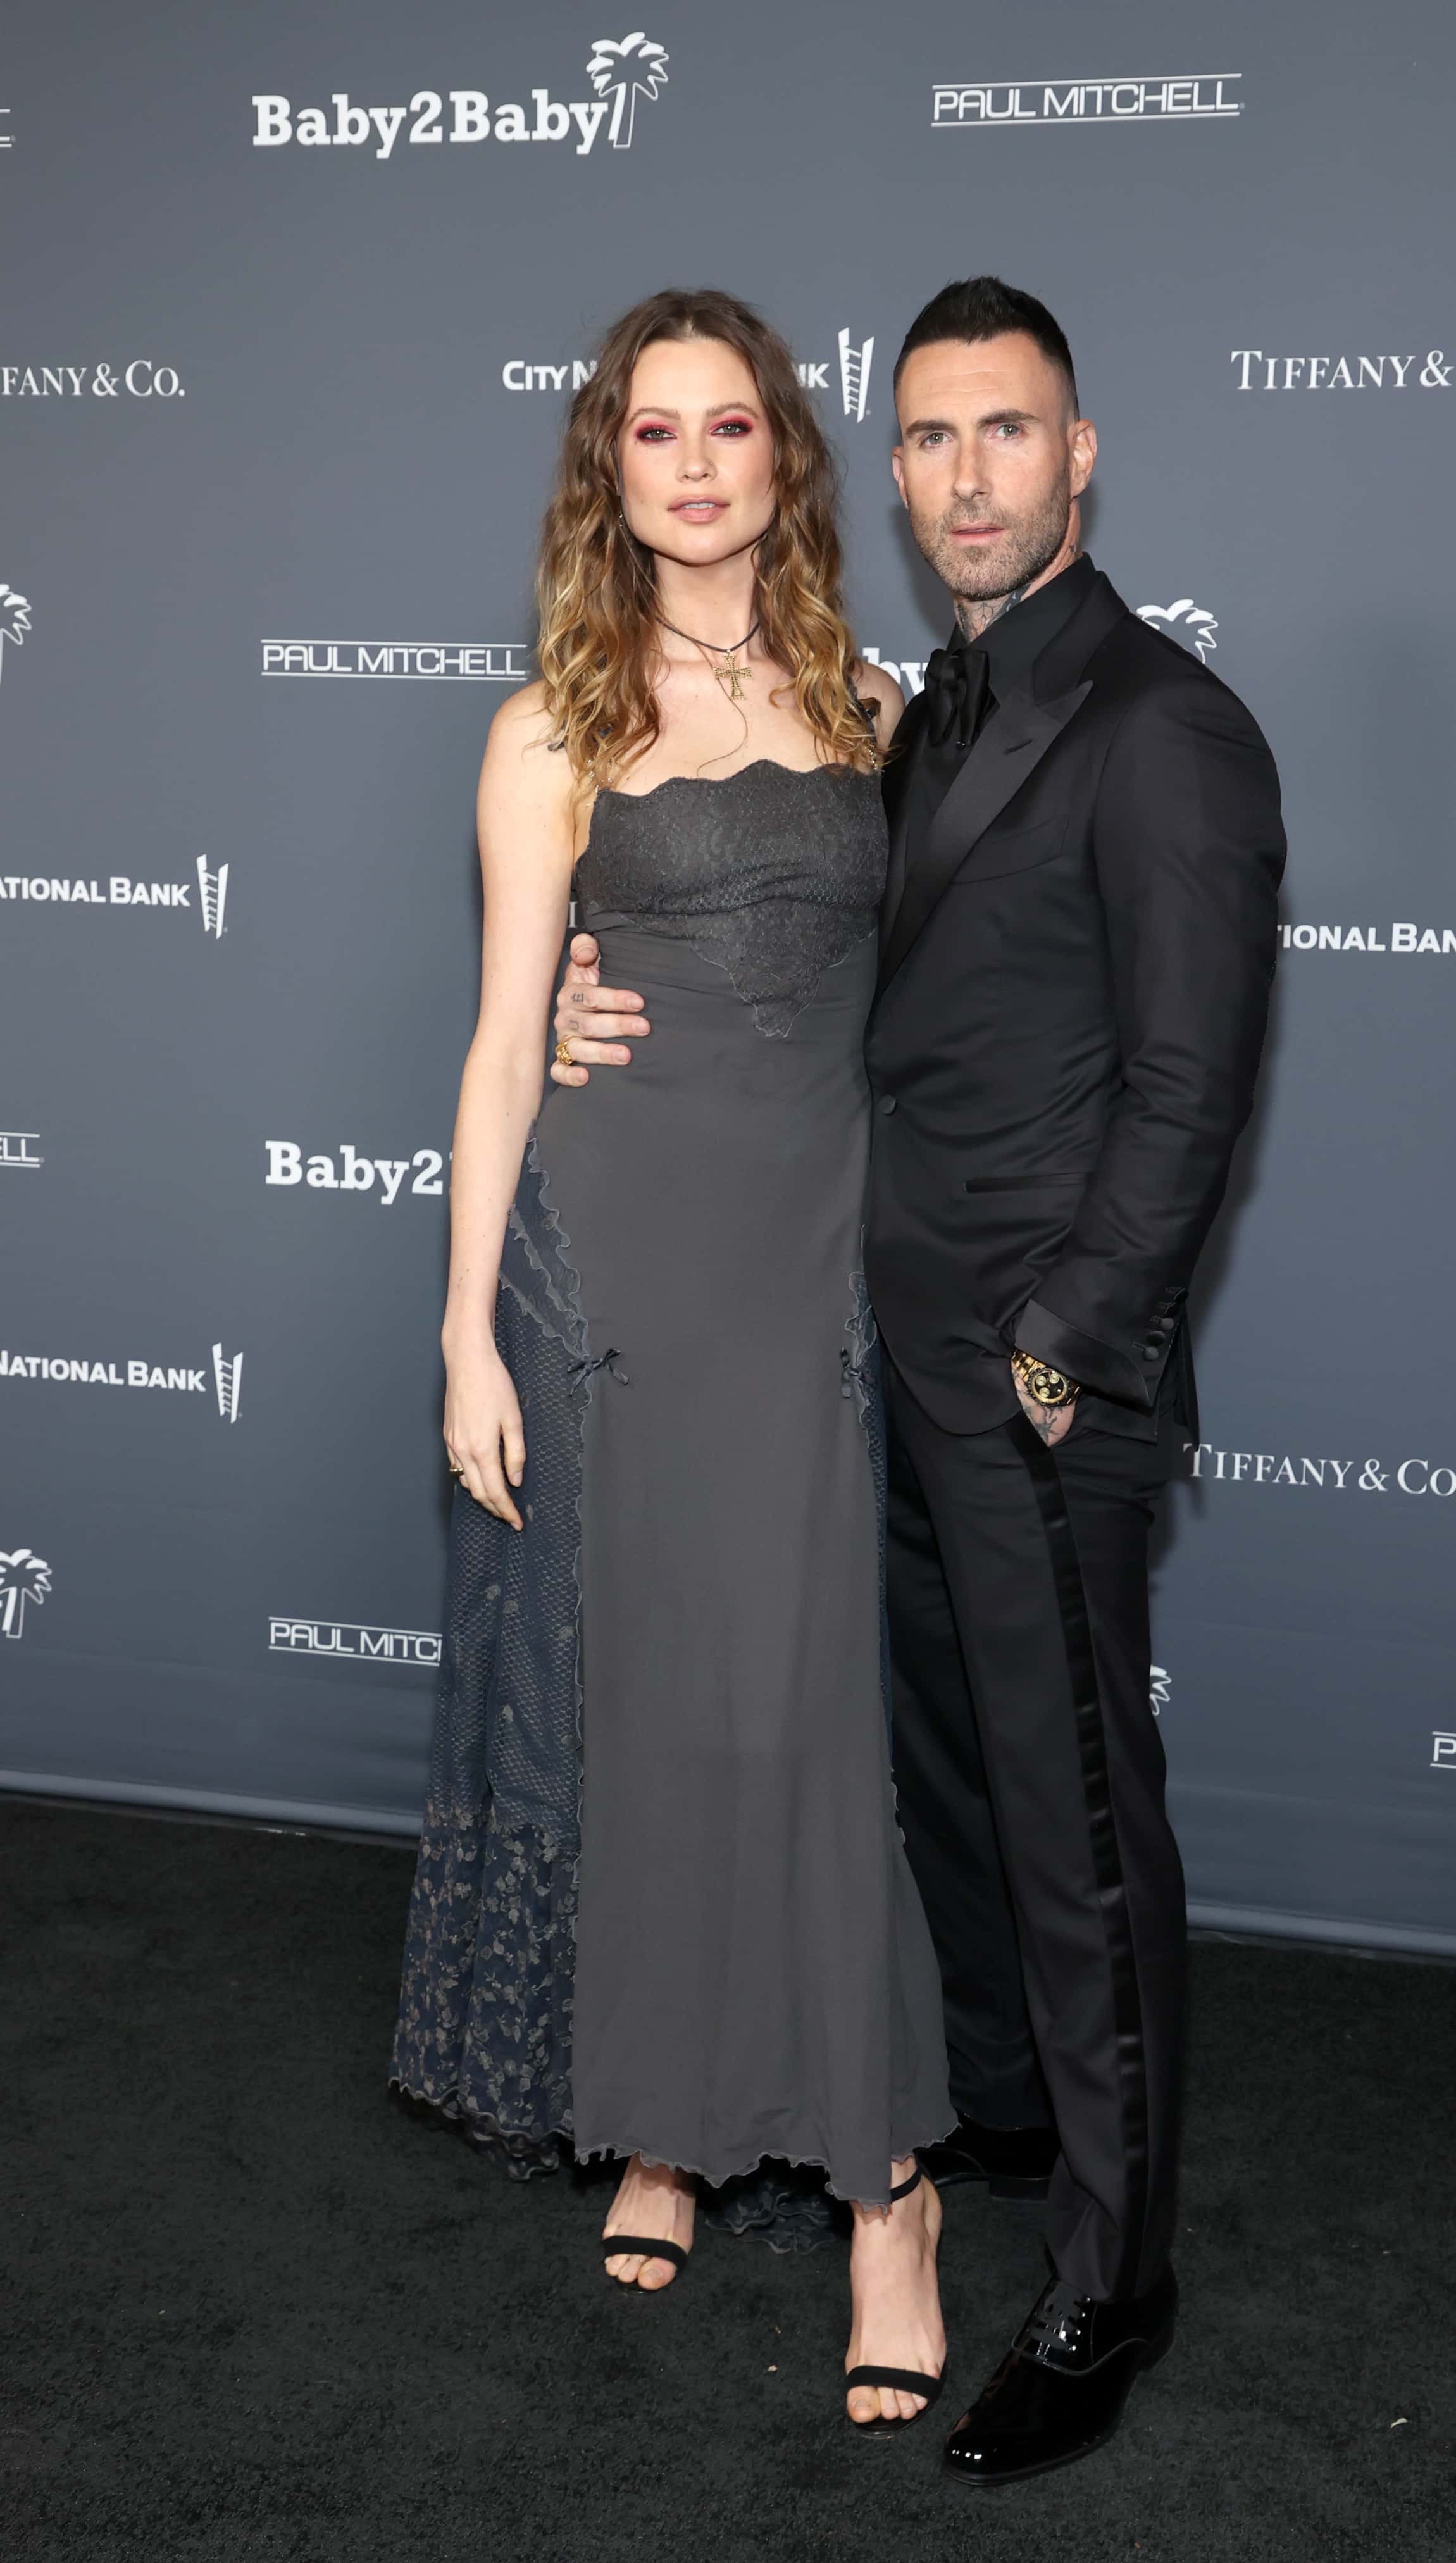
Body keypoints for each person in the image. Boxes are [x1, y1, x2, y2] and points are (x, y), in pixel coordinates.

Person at [551, 276, 1287, 2485]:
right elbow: (794, 958)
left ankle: (1103, 2281)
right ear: (894, 467)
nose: (968, 474)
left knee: (1074, 1834)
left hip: (1026, 1379)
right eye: (933, 436)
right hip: (865, 1351)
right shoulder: (923, 707)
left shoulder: (1162, 727)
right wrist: (604, 989)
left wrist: (1062, 1349)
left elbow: (1188, 1089)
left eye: (1009, 433)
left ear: (1083, 456)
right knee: (956, 1797)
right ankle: (982, 2122)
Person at [390, 287, 955, 2433]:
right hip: (611, 1268)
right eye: (655, 433)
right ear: (604, 468)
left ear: (780, 461)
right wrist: (465, 1331)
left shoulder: (875, 703)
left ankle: (888, 2191)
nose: (696, 464)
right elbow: (499, 1037)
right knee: (645, 1708)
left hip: (816, 1261)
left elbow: (941, 1010)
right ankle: (660, 2123)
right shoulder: (549, 721)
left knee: (804, 1713)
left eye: (732, 426)